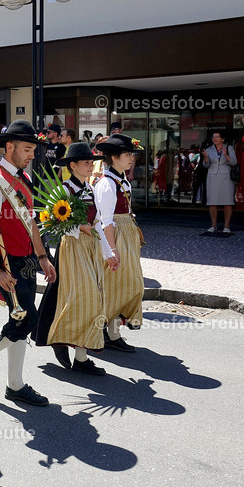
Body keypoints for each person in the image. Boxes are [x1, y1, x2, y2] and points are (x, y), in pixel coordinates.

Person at [0, 120, 57, 407]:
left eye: (33, 149)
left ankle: (15, 385)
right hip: (8, 262)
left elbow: (31, 222)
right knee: (26, 319)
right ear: (10, 147)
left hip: (29, 259)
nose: (32, 154)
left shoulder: (23, 179)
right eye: (28, 149)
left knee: (18, 319)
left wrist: (43, 257)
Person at [33, 142, 115, 375]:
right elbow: (53, 222)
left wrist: (108, 253)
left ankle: (81, 357)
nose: (91, 166)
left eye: (92, 162)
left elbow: (98, 223)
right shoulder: (64, 190)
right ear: (73, 165)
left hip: (90, 247)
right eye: (87, 162)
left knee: (94, 300)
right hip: (72, 249)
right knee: (83, 298)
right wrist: (79, 227)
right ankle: (59, 339)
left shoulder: (90, 189)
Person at [94, 133, 146, 352]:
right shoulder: (107, 184)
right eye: (127, 154)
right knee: (116, 286)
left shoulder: (120, 179)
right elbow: (105, 221)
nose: (131, 158)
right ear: (114, 157)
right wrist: (111, 250)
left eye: (131, 154)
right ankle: (108, 333)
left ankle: (113, 332)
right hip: (114, 236)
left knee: (127, 285)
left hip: (125, 234)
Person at [202, 132, 237, 234]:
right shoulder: (208, 149)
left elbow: (234, 162)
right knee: (212, 202)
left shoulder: (229, 148)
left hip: (226, 177)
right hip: (212, 177)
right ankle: (213, 225)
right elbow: (205, 165)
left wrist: (226, 155)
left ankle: (226, 226)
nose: (215, 139)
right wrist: (206, 158)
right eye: (213, 137)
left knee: (227, 201)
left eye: (217, 137)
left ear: (222, 138)